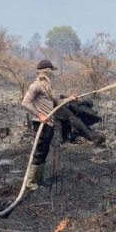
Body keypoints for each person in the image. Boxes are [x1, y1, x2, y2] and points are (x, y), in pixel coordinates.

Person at [20, 59, 77, 190]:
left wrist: (70, 99)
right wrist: (40, 115)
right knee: (39, 152)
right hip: (40, 124)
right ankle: (30, 183)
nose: (53, 73)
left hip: (48, 123)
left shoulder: (48, 86)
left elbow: (55, 101)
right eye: (51, 70)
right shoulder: (36, 85)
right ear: (46, 71)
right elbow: (25, 102)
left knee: (44, 151)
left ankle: (38, 180)